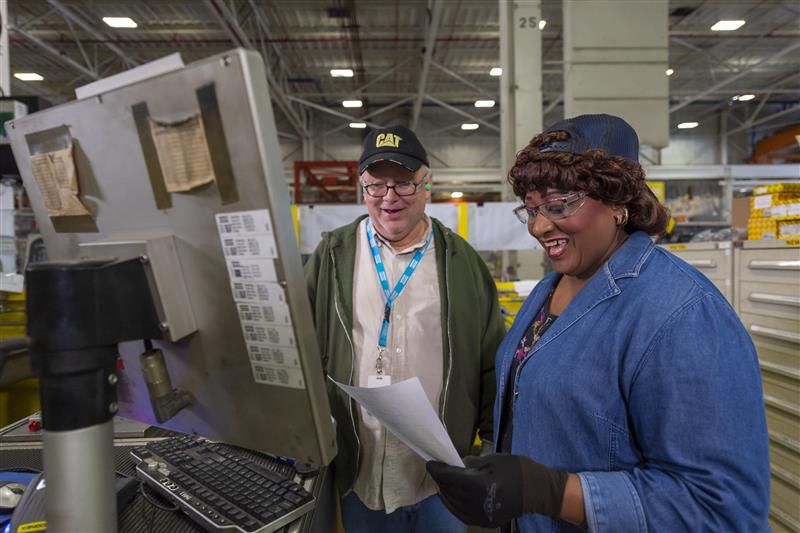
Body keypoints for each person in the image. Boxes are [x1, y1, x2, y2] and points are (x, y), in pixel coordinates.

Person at [426, 114, 770, 532]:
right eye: (531, 210)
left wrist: (553, 492)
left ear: (618, 202)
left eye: (559, 205)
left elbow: (723, 509)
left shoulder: (682, 313)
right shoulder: (549, 289)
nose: (539, 226)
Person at [304, 125, 505, 532]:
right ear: (362, 188)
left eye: (403, 184)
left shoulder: (462, 262)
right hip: (360, 468)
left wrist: (490, 452)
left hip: (439, 476)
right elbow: (301, 348)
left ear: (426, 185)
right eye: (376, 185)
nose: (389, 197)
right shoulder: (332, 255)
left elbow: (491, 362)